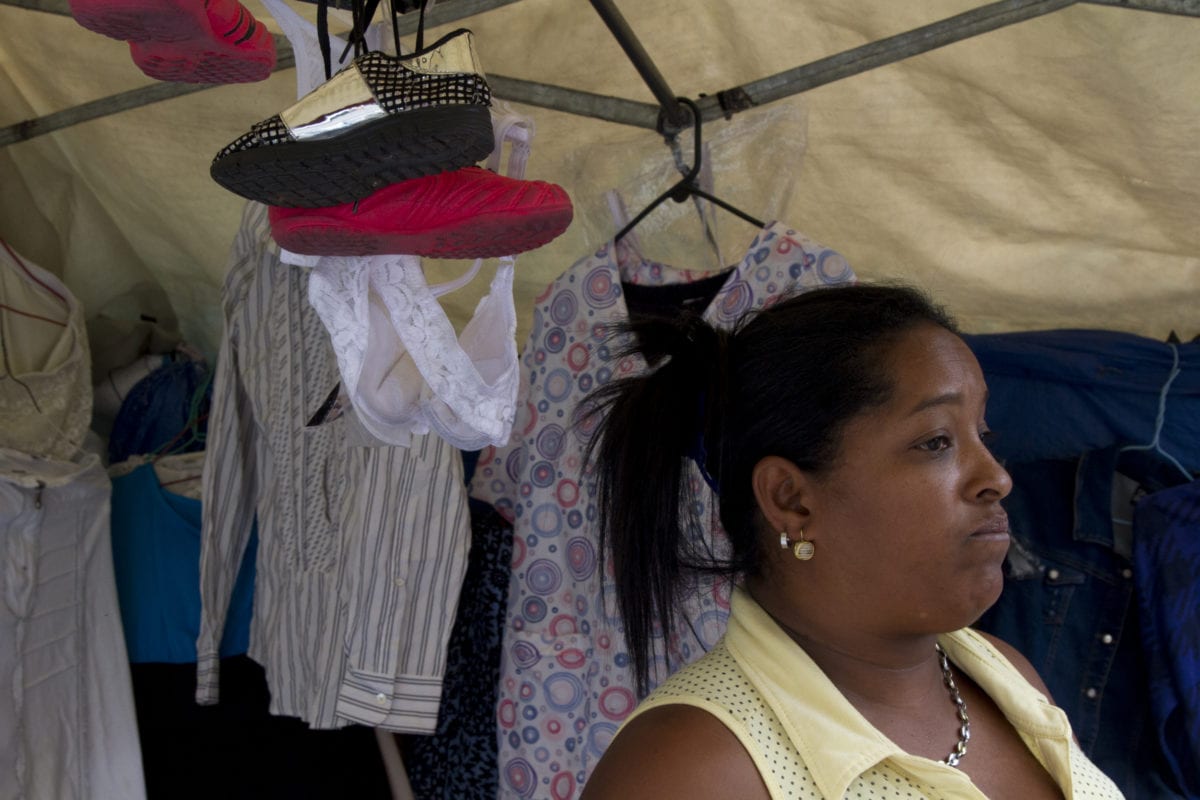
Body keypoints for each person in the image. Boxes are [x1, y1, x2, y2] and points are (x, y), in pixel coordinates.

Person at [576, 284, 1124, 799]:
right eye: (935, 441)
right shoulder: (692, 768)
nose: (997, 477)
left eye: (984, 435)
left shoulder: (999, 672)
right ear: (791, 500)